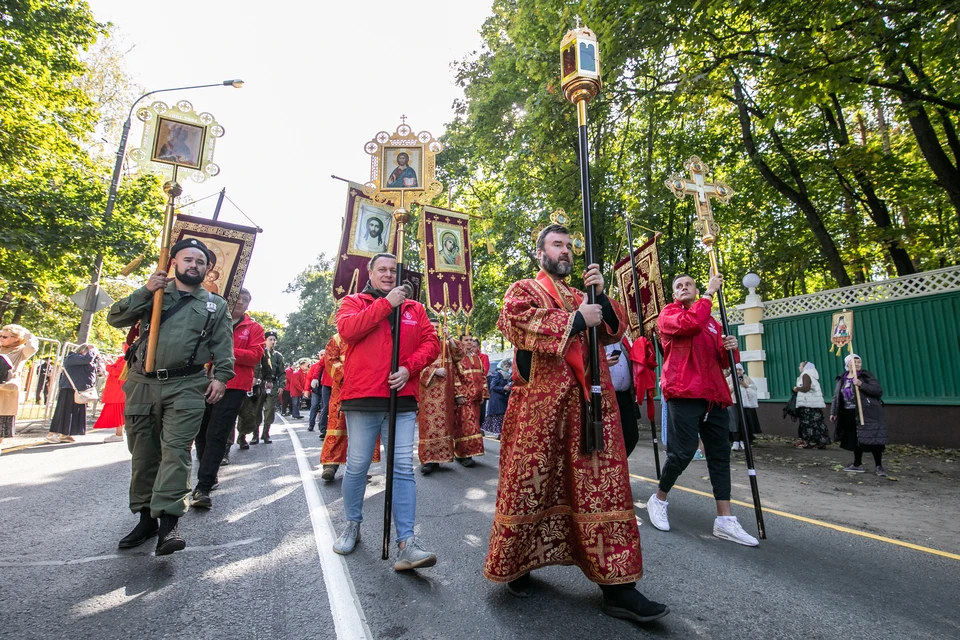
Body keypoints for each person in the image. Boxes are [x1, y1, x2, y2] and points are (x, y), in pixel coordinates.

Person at [484, 225, 668, 623]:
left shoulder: (584, 294)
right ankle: (519, 562)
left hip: (590, 409)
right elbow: (514, 321)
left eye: (569, 245)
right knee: (532, 488)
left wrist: (600, 298)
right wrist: (576, 320)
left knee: (602, 490)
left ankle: (618, 588)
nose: (565, 251)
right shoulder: (524, 289)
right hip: (540, 414)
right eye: (557, 245)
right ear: (540, 253)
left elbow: (613, 330)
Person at [107, 237, 235, 556]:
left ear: (208, 268)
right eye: (187, 259)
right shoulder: (156, 293)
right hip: (141, 383)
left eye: (200, 262)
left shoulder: (215, 305)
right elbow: (116, 318)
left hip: (187, 385)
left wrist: (220, 377)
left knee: (176, 451)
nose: (194, 265)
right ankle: (145, 520)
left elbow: (223, 347)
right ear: (174, 263)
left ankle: (169, 523)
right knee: (143, 452)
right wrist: (147, 290)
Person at [332, 252, 440, 571]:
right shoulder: (354, 302)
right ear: (370, 271)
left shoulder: (415, 308)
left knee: (402, 469)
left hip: (401, 397)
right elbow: (349, 332)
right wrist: (386, 304)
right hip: (363, 396)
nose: (389, 274)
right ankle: (352, 524)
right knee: (357, 465)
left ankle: (407, 542)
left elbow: (431, 343)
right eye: (383, 269)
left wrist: (409, 368)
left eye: (394, 270)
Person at [646, 273, 758, 547]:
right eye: (679, 286)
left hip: (714, 395)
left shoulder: (712, 323)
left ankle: (725, 519)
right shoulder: (669, 314)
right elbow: (691, 324)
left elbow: (722, 361)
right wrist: (709, 294)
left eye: (689, 285)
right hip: (683, 391)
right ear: (674, 294)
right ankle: (659, 498)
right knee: (683, 452)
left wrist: (731, 349)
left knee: (719, 455)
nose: (684, 288)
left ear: (694, 290)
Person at [191, 288, 264, 509]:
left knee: (217, 432)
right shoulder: (210, 320)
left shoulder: (254, 328)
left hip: (233, 386)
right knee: (200, 432)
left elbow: (255, 356)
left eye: (245, 300)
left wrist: (226, 350)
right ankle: (209, 475)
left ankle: (202, 487)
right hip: (201, 383)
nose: (240, 303)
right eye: (237, 299)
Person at [831, 354, 888, 476]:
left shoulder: (866, 376)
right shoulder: (843, 378)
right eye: (854, 362)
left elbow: (878, 391)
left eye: (859, 363)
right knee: (856, 439)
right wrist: (833, 412)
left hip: (867, 412)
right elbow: (837, 397)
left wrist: (861, 384)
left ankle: (879, 466)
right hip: (849, 412)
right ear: (847, 364)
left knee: (873, 439)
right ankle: (857, 464)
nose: (857, 364)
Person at [418, 324, 464, 474]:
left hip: (445, 394)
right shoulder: (419, 344)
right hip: (428, 394)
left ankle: (439, 458)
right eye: (431, 327)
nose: (434, 329)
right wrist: (434, 370)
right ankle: (428, 460)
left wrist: (449, 336)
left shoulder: (445, 345)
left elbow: (459, 355)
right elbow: (414, 366)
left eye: (437, 327)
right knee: (429, 427)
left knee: (444, 426)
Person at [47, 344, 102, 444]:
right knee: (63, 411)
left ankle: (66, 434)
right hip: (69, 388)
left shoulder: (86, 360)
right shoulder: (72, 357)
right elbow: (86, 359)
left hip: (80, 390)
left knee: (74, 413)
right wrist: (93, 350)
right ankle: (52, 434)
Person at [0, 324, 39, 452]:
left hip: (5, 389)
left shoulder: (20, 351)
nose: (1, 338)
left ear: (16, 338)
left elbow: (33, 346)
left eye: (5, 336)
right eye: (0, 335)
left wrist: (26, 333)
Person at [453, 334, 487, 467]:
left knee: (475, 427)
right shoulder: (458, 358)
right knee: (465, 427)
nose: (469, 342)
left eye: (471, 340)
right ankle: (462, 454)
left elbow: (483, 376)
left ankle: (470, 453)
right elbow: (455, 376)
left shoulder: (477, 358)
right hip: (464, 398)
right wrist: (459, 394)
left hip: (476, 399)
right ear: (460, 342)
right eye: (466, 340)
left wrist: (483, 394)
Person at [606, 341, 640, 456]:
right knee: (608, 439)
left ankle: (620, 467)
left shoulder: (623, 341)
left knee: (631, 437)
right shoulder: (595, 340)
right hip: (606, 398)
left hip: (626, 396)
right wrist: (602, 363)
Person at [93, 349, 127, 443]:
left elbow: (117, 372)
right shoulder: (124, 358)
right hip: (117, 389)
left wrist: (107, 366)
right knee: (118, 413)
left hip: (117, 390)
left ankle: (119, 434)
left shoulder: (125, 359)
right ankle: (119, 433)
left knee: (118, 413)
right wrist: (110, 364)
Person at [793, 361, 829, 449]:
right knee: (817, 423)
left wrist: (796, 388)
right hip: (814, 403)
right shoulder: (813, 375)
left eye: (800, 366)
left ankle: (810, 442)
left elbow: (806, 388)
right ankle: (820, 442)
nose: (799, 367)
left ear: (805, 367)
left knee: (808, 424)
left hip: (808, 403)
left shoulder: (806, 374)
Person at [258, 331, 285, 441]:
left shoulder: (278, 356)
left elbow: (282, 372)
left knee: (270, 409)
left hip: (272, 384)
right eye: (270, 339)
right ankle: (255, 434)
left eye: (274, 339)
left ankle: (266, 433)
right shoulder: (260, 353)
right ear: (265, 340)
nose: (273, 342)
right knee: (256, 409)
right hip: (259, 384)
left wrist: (281, 386)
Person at [728, 363, 760, 451]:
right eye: (736, 370)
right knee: (735, 422)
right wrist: (735, 384)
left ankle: (743, 440)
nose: (738, 372)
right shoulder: (729, 379)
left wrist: (744, 384)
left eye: (740, 370)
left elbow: (754, 388)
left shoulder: (746, 378)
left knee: (745, 422)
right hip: (733, 403)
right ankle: (735, 441)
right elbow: (726, 390)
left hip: (745, 404)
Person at [481, 357, 511, 440]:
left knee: (502, 417)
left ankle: (501, 434)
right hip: (497, 399)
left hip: (503, 398)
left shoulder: (507, 375)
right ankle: (500, 434)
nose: (507, 368)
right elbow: (492, 387)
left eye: (508, 366)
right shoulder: (497, 374)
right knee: (499, 417)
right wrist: (503, 388)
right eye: (506, 366)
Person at [307, 351, 325, 432]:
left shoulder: (329, 365)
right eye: (321, 355)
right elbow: (309, 378)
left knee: (324, 407)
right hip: (316, 390)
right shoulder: (314, 366)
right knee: (314, 406)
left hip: (326, 389)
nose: (323, 356)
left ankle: (322, 425)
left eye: (324, 354)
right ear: (319, 356)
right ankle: (311, 425)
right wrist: (306, 390)